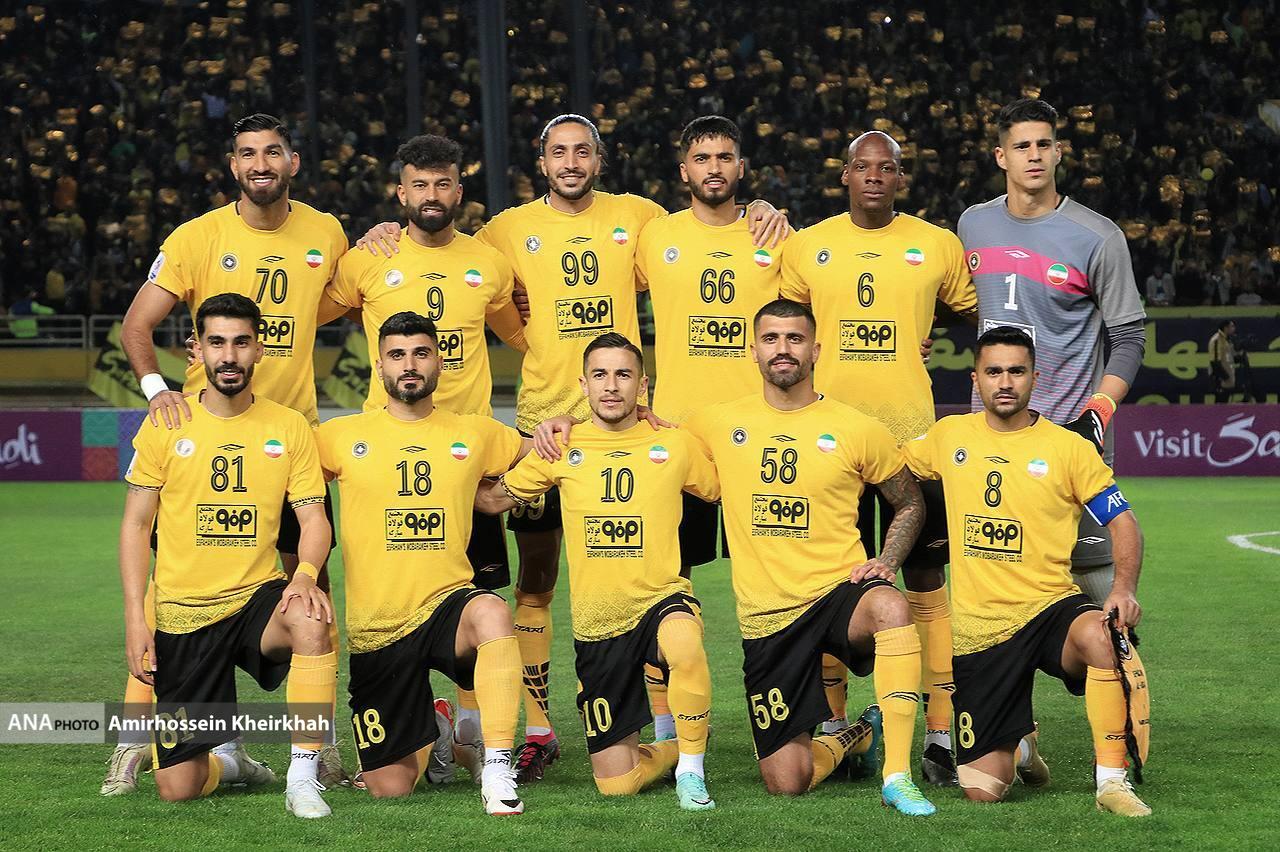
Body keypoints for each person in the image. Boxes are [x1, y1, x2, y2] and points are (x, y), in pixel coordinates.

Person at [358, 113, 788, 782]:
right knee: (535, 579)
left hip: (627, 428)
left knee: (650, 571)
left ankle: (664, 725)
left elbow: (708, 233)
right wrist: (383, 232)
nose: (570, 162)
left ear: (598, 159)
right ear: (542, 161)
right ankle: (536, 728)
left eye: (582, 151)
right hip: (543, 427)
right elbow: (454, 263)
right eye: (558, 151)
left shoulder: (640, 219)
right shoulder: (505, 232)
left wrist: (760, 209)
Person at [106, 113, 351, 795]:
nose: (260, 163)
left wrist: (386, 239)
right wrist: (157, 392)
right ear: (233, 164)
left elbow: (348, 296)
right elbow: (136, 325)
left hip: (289, 439)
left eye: (272, 152)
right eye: (248, 153)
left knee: (311, 590)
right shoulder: (197, 237)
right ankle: (135, 742)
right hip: (203, 437)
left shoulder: (327, 233)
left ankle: (318, 746)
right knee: (170, 591)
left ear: (292, 161)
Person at [325, 134, 529, 776]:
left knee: (483, 599)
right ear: (401, 192)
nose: (432, 195)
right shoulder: (369, 258)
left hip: (470, 455)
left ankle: (471, 733)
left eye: (443, 184)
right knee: (394, 592)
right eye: (420, 184)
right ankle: (419, 720)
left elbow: (522, 335)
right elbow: (308, 315)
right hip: (388, 452)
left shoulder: (489, 263)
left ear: (459, 191)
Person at [685, 299, 936, 816]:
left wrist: (887, 561)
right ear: (753, 351)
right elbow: (640, 437)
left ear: (815, 350)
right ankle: (855, 736)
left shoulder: (856, 427)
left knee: (891, 606)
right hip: (769, 618)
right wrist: (564, 425)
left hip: (839, 592)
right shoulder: (714, 423)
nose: (783, 349)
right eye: (771, 339)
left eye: (795, 339)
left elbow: (910, 501)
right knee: (787, 782)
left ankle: (897, 776)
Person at [780, 130, 977, 785]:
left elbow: (974, 312)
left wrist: (926, 329)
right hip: (829, 445)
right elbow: (786, 327)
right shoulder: (808, 246)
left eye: (885, 167)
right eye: (861, 167)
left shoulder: (937, 244)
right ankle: (835, 723)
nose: (873, 176)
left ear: (900, 178)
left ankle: (941, 732)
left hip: (912, 443)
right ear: (844, 176)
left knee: (925, 583)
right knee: (829, 585)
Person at [902, 326, 1151, 817]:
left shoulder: (1068, 448)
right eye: (993, 371)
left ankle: (1112, 782)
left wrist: (1123, 589)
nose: (1005, 382)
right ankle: (1021, 746)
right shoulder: (949, 436)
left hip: (1049, 609)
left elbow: (1124, 522)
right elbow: (888, 469)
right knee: (981, 789)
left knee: (1103, 635)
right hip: (979, 632)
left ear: (1036, 378)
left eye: (1017, 371)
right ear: (975, 379)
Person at [475, 332, 721, 811]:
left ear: (642, 386)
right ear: (583, 385)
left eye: (623, 375)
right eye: (600, 375)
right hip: (597, 625)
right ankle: (672, 750)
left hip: (660, 599)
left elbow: (726, 489)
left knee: (683, 641)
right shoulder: (561, 447)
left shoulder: (674, 444)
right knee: (617, 783)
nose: (611, 386)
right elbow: (492, 500)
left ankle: (692, 771)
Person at [119, 293, 337, 818]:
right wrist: (135, 617)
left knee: (310, 616)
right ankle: (233, 765)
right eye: (216, 343)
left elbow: (314, 520)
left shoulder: (288, 426)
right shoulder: (167, 422)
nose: (229, 356)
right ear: (196, 350)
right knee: (177, 787)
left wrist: (305, 575)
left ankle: (303, 778)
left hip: (254, 602)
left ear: (260, 350)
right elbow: (136, 525)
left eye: (241, 343)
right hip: (184, 613)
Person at [315, 312, 532, 814]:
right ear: (379, 366)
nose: (409, 365)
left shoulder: (474, 433)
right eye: (397, 355)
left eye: (421, 353)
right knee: (389, 787)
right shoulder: (340, 435)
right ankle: (436, 728)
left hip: (446, 607)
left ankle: (497, 766)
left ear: (440, 362)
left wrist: (561, 438)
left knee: (493, 611)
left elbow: (541, 452)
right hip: (377, 628)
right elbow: (281, 473)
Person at [957, 98, 1147, 609]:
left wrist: (1096, 414)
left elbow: (1130, 339)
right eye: (1022, 146)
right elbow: (966, 304)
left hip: (1069, 439)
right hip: (992, 441)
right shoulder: (972, 225)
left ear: (1060, 151)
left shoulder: (1098, 237)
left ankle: (1122, 663)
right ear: (1001, 156)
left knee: (1102, 600)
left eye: (1044, 144)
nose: (1034, 155)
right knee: (997, 600)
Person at [1208, 319, 1237, 402]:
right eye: (1232, 326)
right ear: (1226, 328)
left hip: (1227, 377)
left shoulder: (1226, 339)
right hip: (1221, 378)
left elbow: (1228, 357)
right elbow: (1214, 361)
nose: (1234, 328)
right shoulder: (1217, 340)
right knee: (1220, 402)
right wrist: (1225, 377)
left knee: (1225, 402)